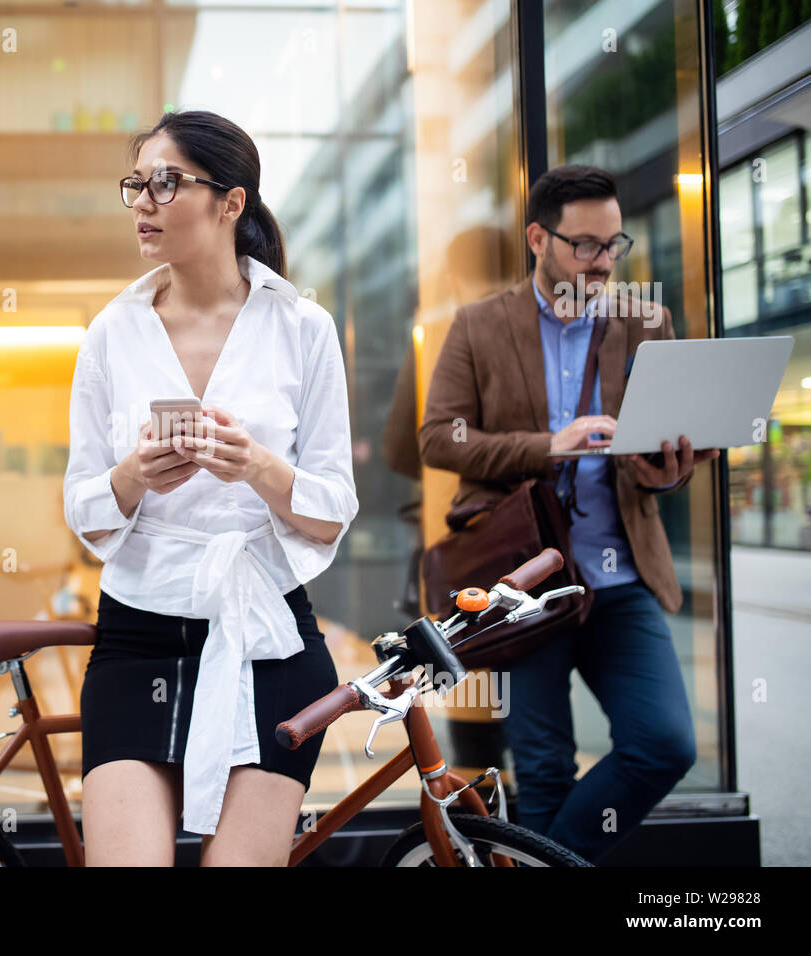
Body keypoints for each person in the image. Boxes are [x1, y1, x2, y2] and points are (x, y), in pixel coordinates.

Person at [63, 110, 359, 866]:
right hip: (140, 634)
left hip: (267, 636)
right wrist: (132, 477)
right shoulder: (110, 332)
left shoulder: (303, 326)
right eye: (136, 184)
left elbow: (330, 515)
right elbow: (84, 512)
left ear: (231, 204)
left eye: (167, 183)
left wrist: (255, 466)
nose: (142, 202)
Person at [418, 164, 720, 863]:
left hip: (619, 581)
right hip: (526, 587)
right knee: (545, 766)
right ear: (538, 239)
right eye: (585, 245)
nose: (602, 261)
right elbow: (441, 438)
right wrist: (547, 445)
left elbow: (661, 448)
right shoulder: (479, 325)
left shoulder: (647, 321)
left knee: (663, 743)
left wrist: (669, 467)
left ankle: (540, 861)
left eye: (614, 246)